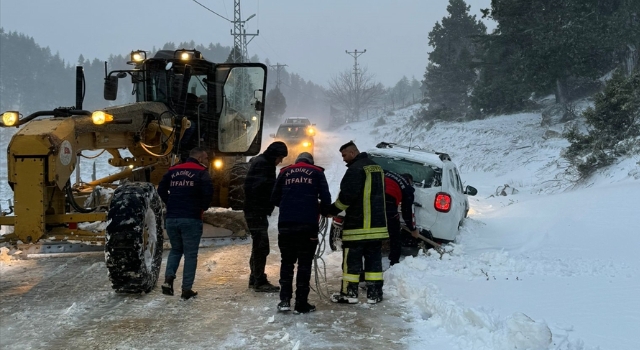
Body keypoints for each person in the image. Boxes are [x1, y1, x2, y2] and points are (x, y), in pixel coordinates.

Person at [327, 141, 388, 304]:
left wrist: (331, 211)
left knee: (351, 262)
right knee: (374, 262)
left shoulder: (355, 170)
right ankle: (374, 295)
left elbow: (346, 198)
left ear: (353, 153)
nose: (343, 159)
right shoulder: (377, 168)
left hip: (357, 226)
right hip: (377, 227)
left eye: (344, 155)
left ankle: (349, 294)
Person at [271, 152, 332, 314]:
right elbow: (326, 198)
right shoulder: (317, 172)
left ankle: (284, 300)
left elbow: (274, 198)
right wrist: (321, 209)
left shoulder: (284, 172)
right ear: (311, 162)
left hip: (286, 225)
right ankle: (301, 303)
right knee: (304, 265)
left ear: (297, 161)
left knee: (287, 263)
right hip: (308, 226)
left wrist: (290, 204)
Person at [157, 147, 213, 300]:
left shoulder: (173, 170)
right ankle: (186, 289)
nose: (207, 161)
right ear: (200, 158)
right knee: (190, 255)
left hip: (172, 218)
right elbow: (208, 193)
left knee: (176, 250)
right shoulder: (201, 172)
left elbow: (161, 189)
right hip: (191, 218)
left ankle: (168, 280)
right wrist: (202, 206)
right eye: (206, 158)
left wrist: (171, 203)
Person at [244, 141, 288, 292]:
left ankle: (254, 277)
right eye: (280, 157)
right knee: (261, 246)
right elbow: (260, 188)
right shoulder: (264, 165)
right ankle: (259, 280)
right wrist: (274, 198)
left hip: (255, 210)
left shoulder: (261, 162)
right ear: (274, 155)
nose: (281, 161)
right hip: (256, 211)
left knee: (258, 245)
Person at [384, 171, 419, 266]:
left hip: (373, 200)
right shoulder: (407, 187)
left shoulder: (388, 173)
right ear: (410, 181)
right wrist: (413, 229)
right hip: (389, 203)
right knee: (395, 235)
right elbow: (407, 211)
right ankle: (394, 261)